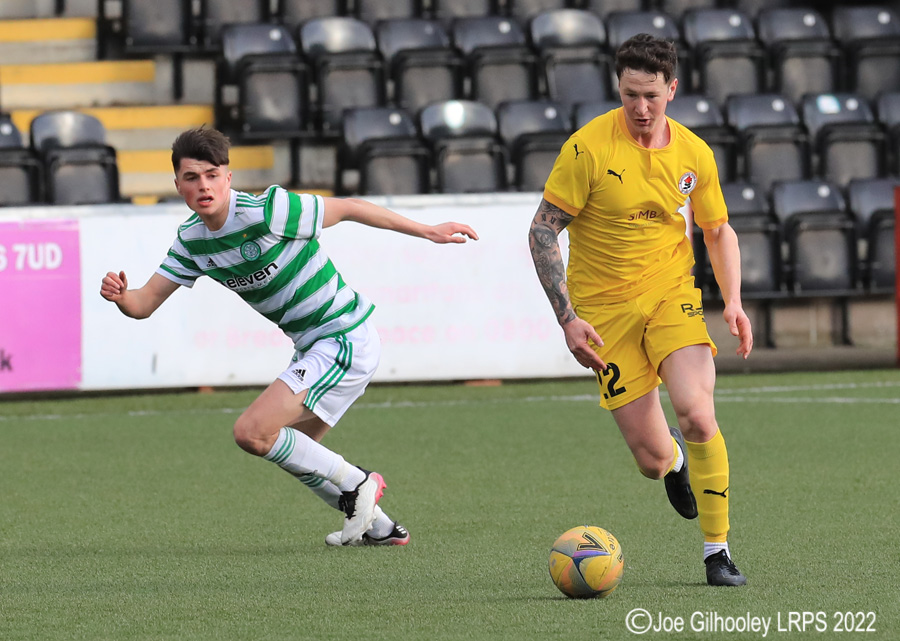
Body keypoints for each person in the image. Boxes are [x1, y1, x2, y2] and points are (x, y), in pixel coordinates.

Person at [101, 127, 478, 547]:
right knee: (294, 448)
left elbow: (350, 208)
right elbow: (144, 304)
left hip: (343, 335)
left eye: (211, 174)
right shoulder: (192, 241)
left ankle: (358, 483)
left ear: (228, 177)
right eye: (192, 178)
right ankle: (379, 529)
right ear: (178, 185)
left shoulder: (269, 211)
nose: (203, 185)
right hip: (314, 346)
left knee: (252, 432)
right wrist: (121, 297)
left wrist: (426, 230)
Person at [527, 34, 753, 586]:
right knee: (652, 460)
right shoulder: (588, 148)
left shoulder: (694, 154)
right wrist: (567, 317)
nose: (641, 107)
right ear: (619, 88)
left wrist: (735, 304)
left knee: (698, 415)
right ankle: (674, 462)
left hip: (670, 292)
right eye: (630, 94)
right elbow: (541, 233)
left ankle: (717, 553)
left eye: (651, 95)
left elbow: (717, 229)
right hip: (604, 312)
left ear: (672, 89)